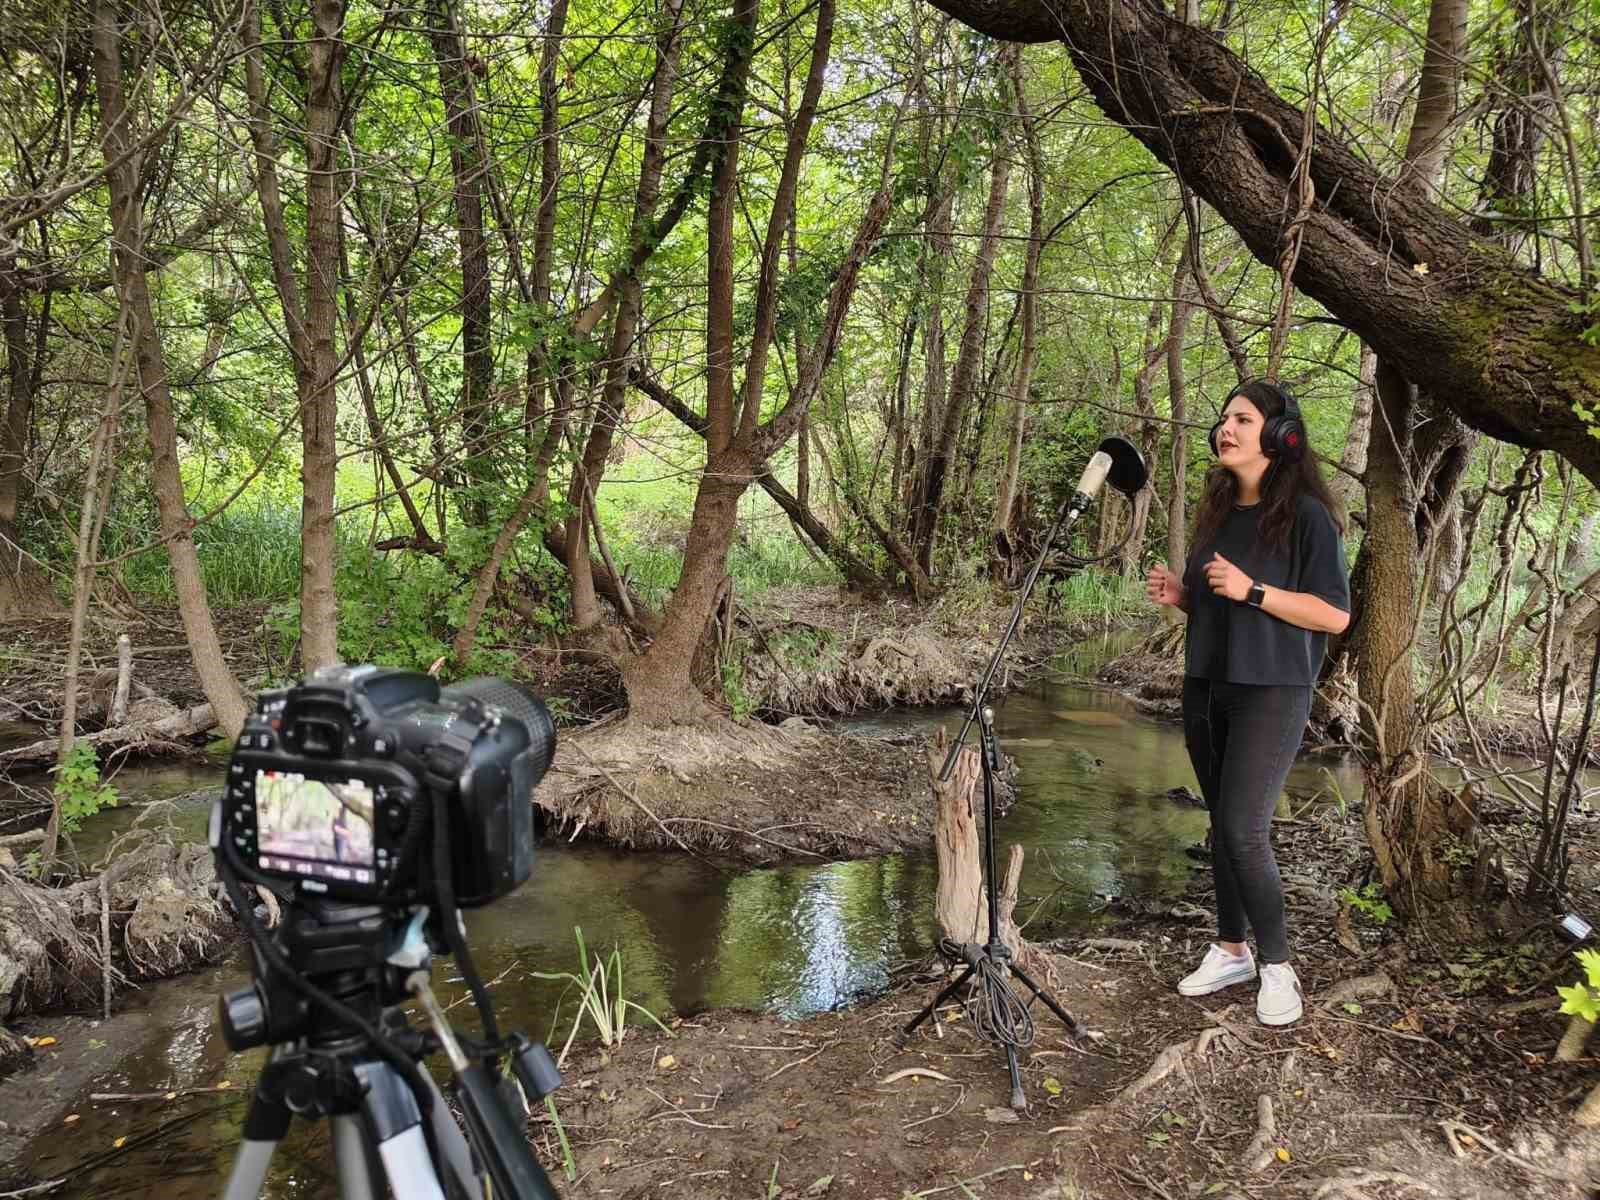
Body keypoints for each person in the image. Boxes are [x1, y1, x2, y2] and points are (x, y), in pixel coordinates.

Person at [1145, 379, 1350, 1026]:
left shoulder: (1308, 518)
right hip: (1206, 683)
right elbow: (1219, 599)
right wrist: (1186, 597)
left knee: (1243, 827)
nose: (1225, 429)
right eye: (1223, 418)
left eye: (1241, 418)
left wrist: (1251, 591)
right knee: (1219, 822)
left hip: (1273, 691)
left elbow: (1334, 616)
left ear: (1280, 434)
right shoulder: (1220, 509)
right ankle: (1230, 948)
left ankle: (1278, 968)